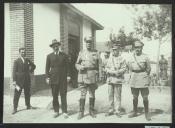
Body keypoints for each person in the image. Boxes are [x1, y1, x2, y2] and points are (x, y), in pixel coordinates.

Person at [45, 39, 70, 118]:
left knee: (63, 95)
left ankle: (64, 111)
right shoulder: (49, 56)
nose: (56, 47)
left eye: (57, 46)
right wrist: (47, 77)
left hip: (63, 79)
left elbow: (68, 67)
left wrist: (68, 76)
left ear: (59, 46)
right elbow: (47, 68)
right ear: (52, 47)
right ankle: (56, 111)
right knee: (55, 95)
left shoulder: (64, 55)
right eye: (54, 46)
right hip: (53, 78)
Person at [76, 36, 99, 120]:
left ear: (92, 43)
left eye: (90, 42)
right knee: (83, 94)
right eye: (87, 42)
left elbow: (99, 64)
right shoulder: (81, 52)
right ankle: (81, 112)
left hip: (92, 75)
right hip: (83, 75)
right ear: (85, 43)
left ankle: (91, 110)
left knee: (92, 93)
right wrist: (79, 67)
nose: (88, 43)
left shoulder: (96, 52)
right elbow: (76, 63)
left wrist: (98, 74)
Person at [128, 40, 151, 121]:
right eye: (136, 47)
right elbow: (130, 68)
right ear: (134, 48)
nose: (138, 49)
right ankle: (135, 111)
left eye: (139, 47)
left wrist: (145, 77)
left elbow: (148, 69)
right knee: (134, 97)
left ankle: (147, 113)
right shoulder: (131, 57)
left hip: (143, 78)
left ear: (142, 47)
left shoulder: (146, 57)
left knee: (145, 97)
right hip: (134, 78)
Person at [105, 43, 126, 117]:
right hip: (110, 79)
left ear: (118, 50)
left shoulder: (122, 59)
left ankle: (117, 110)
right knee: (110, 95)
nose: (114, 51)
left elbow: (124, 68)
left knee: (118, 96)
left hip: (118, 80)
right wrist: (113, 72)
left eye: (116, 50)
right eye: (113, 50)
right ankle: (111, 110)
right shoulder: (109, 59)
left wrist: (119, 72)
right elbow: (106, 68)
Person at [12, 47, 36, 114]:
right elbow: (14, 72)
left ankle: (28, 105)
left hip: (27, 80)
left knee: (27, 93)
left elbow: (34, 66)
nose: (23, 53)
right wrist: (14, 81)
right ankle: (15, 108)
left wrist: (30, 71)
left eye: (24, 52)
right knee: (17, 94)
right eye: (22, 52)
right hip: (19, 81)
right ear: (19, 53)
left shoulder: (27, 60)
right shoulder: (16, 61)